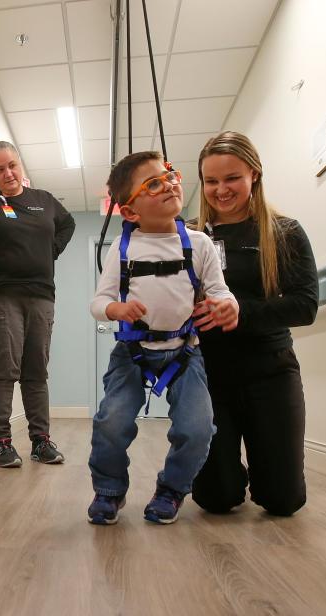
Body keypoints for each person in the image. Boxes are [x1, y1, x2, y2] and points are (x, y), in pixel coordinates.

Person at [87, 150, 239, 526]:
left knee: (198, 427)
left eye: (168, 174)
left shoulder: (199, 244)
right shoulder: (123, 251)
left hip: (184, 353)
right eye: (153, 183)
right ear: (131, 211)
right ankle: (109, 490)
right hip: (132, 352)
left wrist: (226, 306)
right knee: (111, 421)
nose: (169, 184)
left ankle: (171, 489)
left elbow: (221, 290)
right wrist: (115, 310)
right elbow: (99, 301)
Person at [190, 132, 318, 517]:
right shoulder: (188, 235)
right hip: (208, 377)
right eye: (211, 181)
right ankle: (227, 467)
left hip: (271, 370)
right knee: (215, 498)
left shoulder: (286, 232)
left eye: (232, 178)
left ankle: (273, 466)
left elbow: (306, 305)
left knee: (283, 501)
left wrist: (240, 312)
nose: (221, 189)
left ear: (254, 175)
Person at [0, 141, 76, 469]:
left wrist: (51, 251)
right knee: (5, 369)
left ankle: (40, 440)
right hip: (0, 295)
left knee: (36, 372)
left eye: (12, 166)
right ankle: (1, 443)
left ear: (20, 166)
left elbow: (68, 224)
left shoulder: (44, 201)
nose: (8, 173)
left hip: (41, 296)